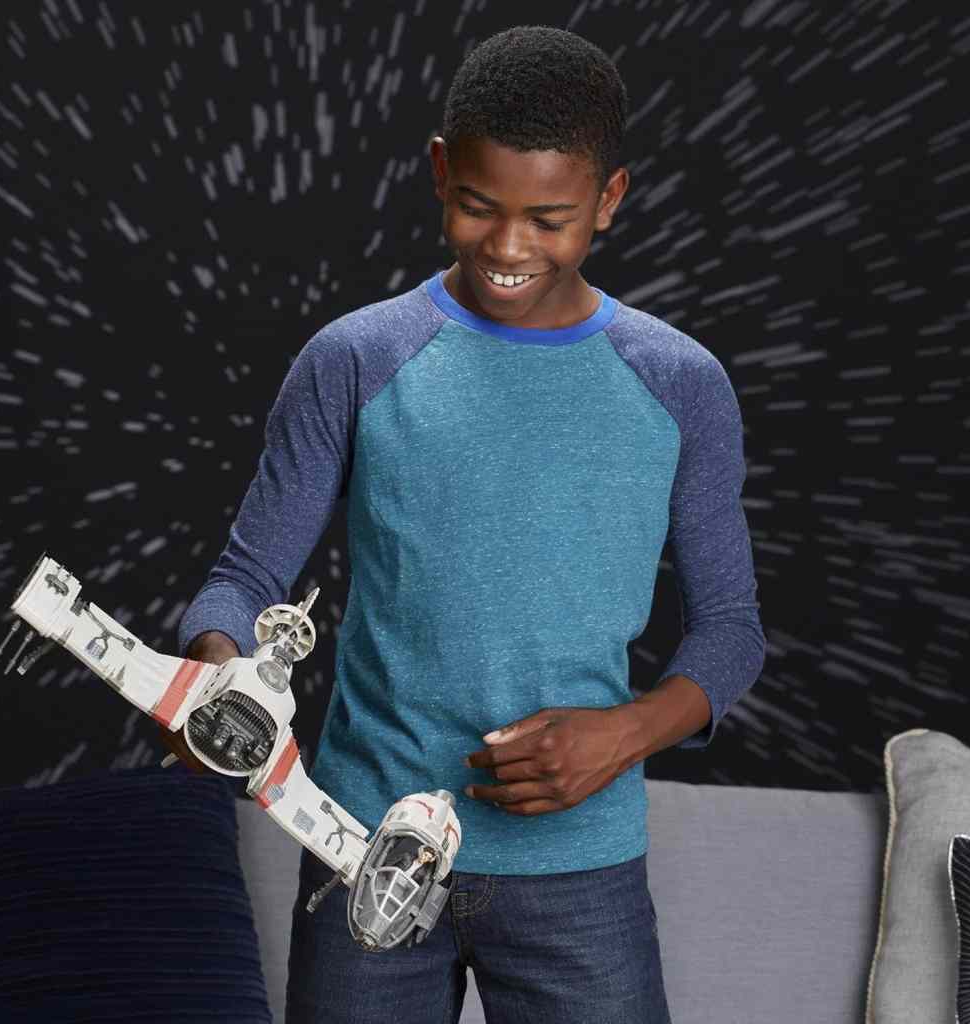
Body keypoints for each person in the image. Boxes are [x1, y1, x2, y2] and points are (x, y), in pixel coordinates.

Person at [168, 24, 765, 1024]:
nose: (507, 247)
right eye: (479, 206)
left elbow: (732, 631)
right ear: (442, 171)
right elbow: (244, 577)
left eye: (549, 218)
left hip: (580, 869)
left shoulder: (679, 384)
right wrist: (219, 674)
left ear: (609, 200)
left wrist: (625, 734)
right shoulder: (353, 359)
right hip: (359, 847)